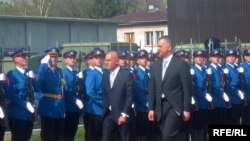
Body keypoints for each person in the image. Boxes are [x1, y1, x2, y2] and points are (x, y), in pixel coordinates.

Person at [148, 36, 192, 141]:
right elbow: (152, 88)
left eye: (160, 46)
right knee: (164, 135)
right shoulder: (155, 65)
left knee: (168, 135)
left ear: (169, 47)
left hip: (174, 106)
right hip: (160, 106)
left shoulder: (180, 64)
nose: (158, 48)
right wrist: (151, 108)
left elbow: (187, 88)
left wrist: (186, 109)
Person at [102, 51, 135, 141]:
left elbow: (130, 96)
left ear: (116, 61)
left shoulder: (126, 75)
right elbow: (104, 93)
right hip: (108, 114)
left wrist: (124, 114)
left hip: (122, 114)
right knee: (105, 138)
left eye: (109, 60)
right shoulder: (105, 75)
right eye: (105, 60)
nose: (106, 62)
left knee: (125, 138)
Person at [5, 48, 35, 141]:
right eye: (22, 56)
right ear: (15, 59)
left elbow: (36, 90)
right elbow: (11, 94)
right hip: (17, 113)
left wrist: (34, 79)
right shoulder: (11, 74)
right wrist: (25, 104)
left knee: (27, 138)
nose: (25, 58)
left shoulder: (28, 73)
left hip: (28, 114)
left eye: (26, 56)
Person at [36, 47, 65, 141]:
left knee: (58, 136)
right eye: (51, 57)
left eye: (55, 57)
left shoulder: (59, 71)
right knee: (48, 136)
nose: (54, 59)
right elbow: (38, 80)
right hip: (48, 108)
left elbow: (62, 89)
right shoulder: (44, 70)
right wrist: (43, 64)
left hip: (59, 108)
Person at [84, 48, 105, 141]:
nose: (99, 60)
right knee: (93, 136)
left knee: (103, 135)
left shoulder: (106, 72)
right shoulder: (92, 73)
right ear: (93, 59)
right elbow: (90, 91)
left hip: (104, 109)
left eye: (101, 58)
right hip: (95, 109)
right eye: (96, 58)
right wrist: (103, 102)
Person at [190, 49, 211, 141]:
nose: (200, 58)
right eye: (198, 57)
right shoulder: (192, 70)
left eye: (202, 57)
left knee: (204, 126)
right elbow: (193, 88)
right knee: (197, 127)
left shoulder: (205, 70)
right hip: (197, 102)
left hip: (205, 103)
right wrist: (204, 95)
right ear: (194, 59)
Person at [63, 50, 84, 141]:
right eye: (70, 58)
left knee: (73, 132)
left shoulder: (75, 73)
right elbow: (66, 91)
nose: (73, 60)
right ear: (65, 60)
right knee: (68, 134)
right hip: (68, 107)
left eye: (74, 58)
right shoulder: (64, 73)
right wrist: (75, 100)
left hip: (75, 107)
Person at [133, 50, 151, 141]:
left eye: (145, 58)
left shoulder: (149, 71)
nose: (144, 60)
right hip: (142, 105)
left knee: (149, 131)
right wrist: (146, 102)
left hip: (150, 104)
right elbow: (138, 90)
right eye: (141, 58)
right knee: (141, 131)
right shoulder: (136, 72)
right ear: (137, 60)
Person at [241, 48, 250, 125]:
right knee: (247, 119)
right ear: (245, 57)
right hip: (247, 96)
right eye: (248, 55)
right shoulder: (242, 67)